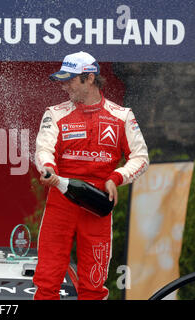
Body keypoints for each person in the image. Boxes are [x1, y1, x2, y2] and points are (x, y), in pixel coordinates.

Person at [33, 51, 149, 300]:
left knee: (94, 286)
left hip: (97, 204)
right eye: (62, 80)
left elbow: (141, 158)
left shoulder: (122, 116)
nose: (63, 85)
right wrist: (48, 168)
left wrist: (116, 178)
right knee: (47, 281)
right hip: (61, 202)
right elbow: (44, 149)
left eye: (69, 79)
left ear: (89, 78)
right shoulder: (54, 113)